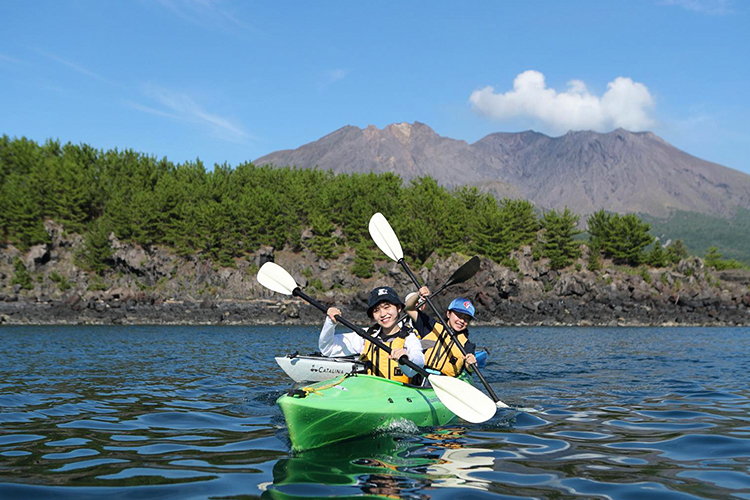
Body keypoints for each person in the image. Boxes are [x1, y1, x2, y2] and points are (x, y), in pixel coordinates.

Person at [319, 286, 425, 383]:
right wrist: (330, 322)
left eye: (387, 307)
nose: (383, 314)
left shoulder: (409, 338)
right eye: (376, 310)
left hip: (402, 397)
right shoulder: (365, 336)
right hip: (373, 396)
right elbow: (327, 348)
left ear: (398, 308)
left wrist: (406, 357)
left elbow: (416, 366)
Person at [406, 286, 477, 377]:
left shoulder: (467, 345)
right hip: (420, 376)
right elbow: (408, 308)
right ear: (448, 314)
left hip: (445, 382)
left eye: (466, 319)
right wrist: (418, 295)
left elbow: (469, 368)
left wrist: (471, 363)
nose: (462, 321)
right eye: (459, 315)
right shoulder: (430, 326)